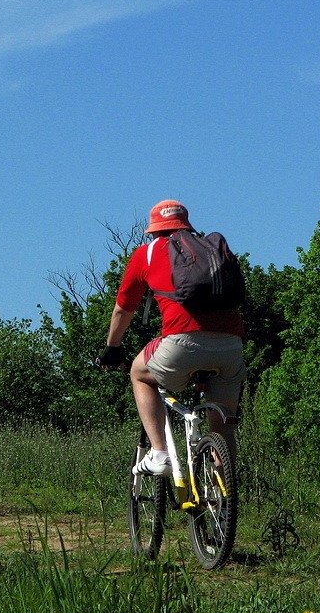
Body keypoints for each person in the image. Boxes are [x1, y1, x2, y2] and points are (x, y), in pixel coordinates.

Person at [97, 199, 246, 476]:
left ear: (154, 230)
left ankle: (160, 453)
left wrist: (112, 347)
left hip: (181, 344)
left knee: (139, 373)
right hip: (231, 345)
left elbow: (123, 309)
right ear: (186, 225)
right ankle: (222, 498)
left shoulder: (147, 254)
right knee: (222, 426)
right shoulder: (211, 250)